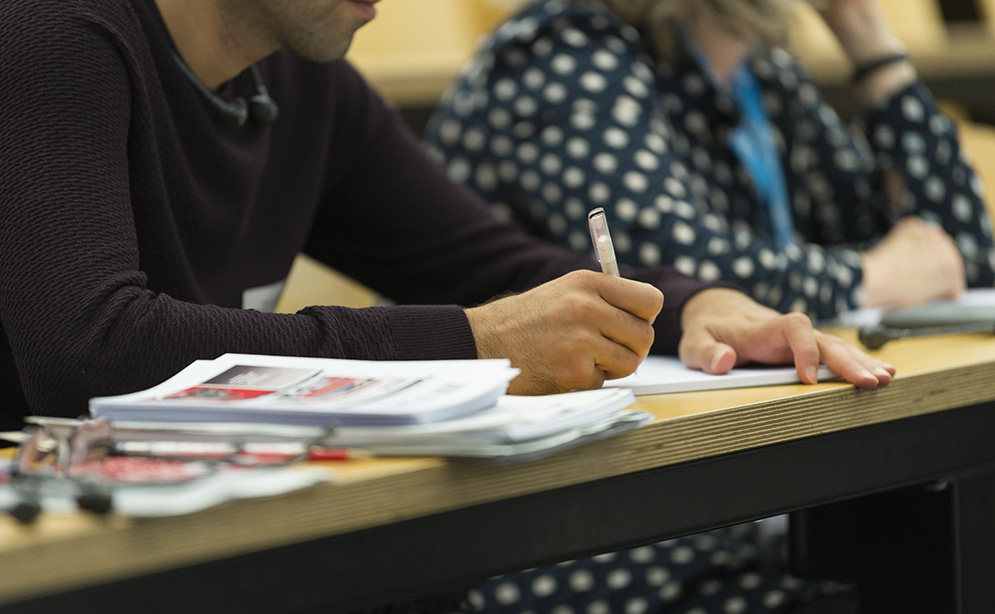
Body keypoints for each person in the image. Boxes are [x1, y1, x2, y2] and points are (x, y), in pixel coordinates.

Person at [1, 0, 892, 612]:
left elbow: (483, 260)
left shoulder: (302, 78)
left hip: (184, 543)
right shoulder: (48, 32)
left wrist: (693, 309)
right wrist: (471, 342)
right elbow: (91, 346)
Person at [424, 0, 995, 321]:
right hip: (564, 474)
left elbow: (958, 259)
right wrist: (874, 277)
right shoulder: (561, 50)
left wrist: (871, 46)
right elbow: (669, 268)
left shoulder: (759, 67)